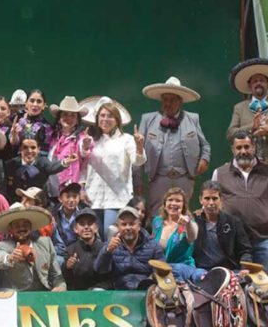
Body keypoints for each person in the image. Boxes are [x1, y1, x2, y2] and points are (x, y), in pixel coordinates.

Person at [212, 131, 268, 279]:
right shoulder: (220, 173)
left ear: (254, 147)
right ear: (232, 150)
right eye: (239, 148)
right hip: (232, 242)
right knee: (235, 289)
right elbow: (213, 200)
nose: (243, 151)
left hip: (264, 238)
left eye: (247, 147)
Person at [137, 77, 211, 216]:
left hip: (184, 178)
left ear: (180, 101)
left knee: (182, 214)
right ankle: (158, 238)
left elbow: (205, 145)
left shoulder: (192, 118)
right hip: (158, 178)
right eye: (165, 99)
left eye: (172, 100)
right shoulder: (148, 120)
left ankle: (182, 238)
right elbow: (138, 153)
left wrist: (204, 159)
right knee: (157, 215)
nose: (168, 103)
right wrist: (139, 181)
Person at [82, 96, 146, 237]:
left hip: (117, 197)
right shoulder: (90, 140)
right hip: (93, 196)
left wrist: (140, 146)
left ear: (117, 119)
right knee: (94, 236)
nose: (105, 119)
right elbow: (82, 165)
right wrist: (82, 187)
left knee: (111, 234)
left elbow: (138, 161)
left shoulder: (127, 139)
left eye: (110, 116)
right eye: (102, 116)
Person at [227, 58, 268, 164]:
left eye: (262, 80)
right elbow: (230, 134)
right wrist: (252, 127)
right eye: (255, 81)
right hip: (248, 163)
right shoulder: (239, 107)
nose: (258, 83)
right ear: (249, 85)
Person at [0, 205, 66, 292]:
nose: (21, 228)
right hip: (16, 295)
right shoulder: (4, 245)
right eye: (16, 225)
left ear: (31, 227)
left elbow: (56, 275)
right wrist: (11, 257)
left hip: (43, 294)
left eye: (25, 224)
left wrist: (60, 286)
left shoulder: (45, 242)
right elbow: (0, 262)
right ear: (10, 229)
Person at [95, 206, 165, 290]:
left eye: (131, 224)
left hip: (146, 290)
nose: (128, 228)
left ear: (139, 226)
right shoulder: (110, 245)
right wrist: (107, 251)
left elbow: (161, 272)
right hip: (118, 290)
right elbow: (99, 270)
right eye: (124, 224)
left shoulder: (153, 246)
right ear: (118, 227)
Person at [193, 181, 253, 271]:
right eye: (207, 198)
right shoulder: (193, 222)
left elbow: (245, 250)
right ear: (201, 200)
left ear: (221, 199)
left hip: (228, 269)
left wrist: (245, 266)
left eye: (214, 198)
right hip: (200, 270)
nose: (211, 203)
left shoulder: (233, 222)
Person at [151, 187, 204, 282]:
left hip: (183, 268)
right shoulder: (157, 222)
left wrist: (188, 224)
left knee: (171, 269)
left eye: (178, 201)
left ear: (183, 205)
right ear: (165, 204)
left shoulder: (188, 223)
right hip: (162, 268)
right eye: (170, 200)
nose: (174, 203)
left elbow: (193, 236)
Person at [4, 138, 74, 204]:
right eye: (25, 147)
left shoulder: (43, 162)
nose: (29, 151)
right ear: (20, 149)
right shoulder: (11, 164)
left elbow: (52, 168)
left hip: (39, 203)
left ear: (38, 149)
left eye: (33, 147)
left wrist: (66, 162)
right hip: (16, 203)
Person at [46, 96, 89, 198]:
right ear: (59, 118)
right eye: (65, 114)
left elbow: (85, 154)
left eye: (72, 115)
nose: (68, 118)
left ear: (77, 120)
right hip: (50, 191)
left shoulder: (81, 138)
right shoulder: (53, 137)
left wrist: (86, 146)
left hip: (70, 194)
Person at [63, 207, 111, 290]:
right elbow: (67, 282)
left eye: (90, 223)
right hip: (77, 297)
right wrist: (67, 268)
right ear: (75, 229)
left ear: (96, 228)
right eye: (82, 224)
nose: (86, 227)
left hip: (100, 294)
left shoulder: (105, 249)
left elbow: (110, 279)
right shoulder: (70, 250)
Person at [51, 182, 86, 266]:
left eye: (74, 196)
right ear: (60, 198)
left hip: (79, 251)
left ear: (79, 197)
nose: (71, 200)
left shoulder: (85, 212)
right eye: (67, 196)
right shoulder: (52, 213)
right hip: (59, 252)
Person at [9, 89, 53, 155]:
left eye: (39, 101)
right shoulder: (20, 122)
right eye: (32, 101)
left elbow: (45, 152)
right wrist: (14, 136)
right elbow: (14, 143)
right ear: (26, 103)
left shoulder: (47, 127)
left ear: (44, 105)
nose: (35, 104)